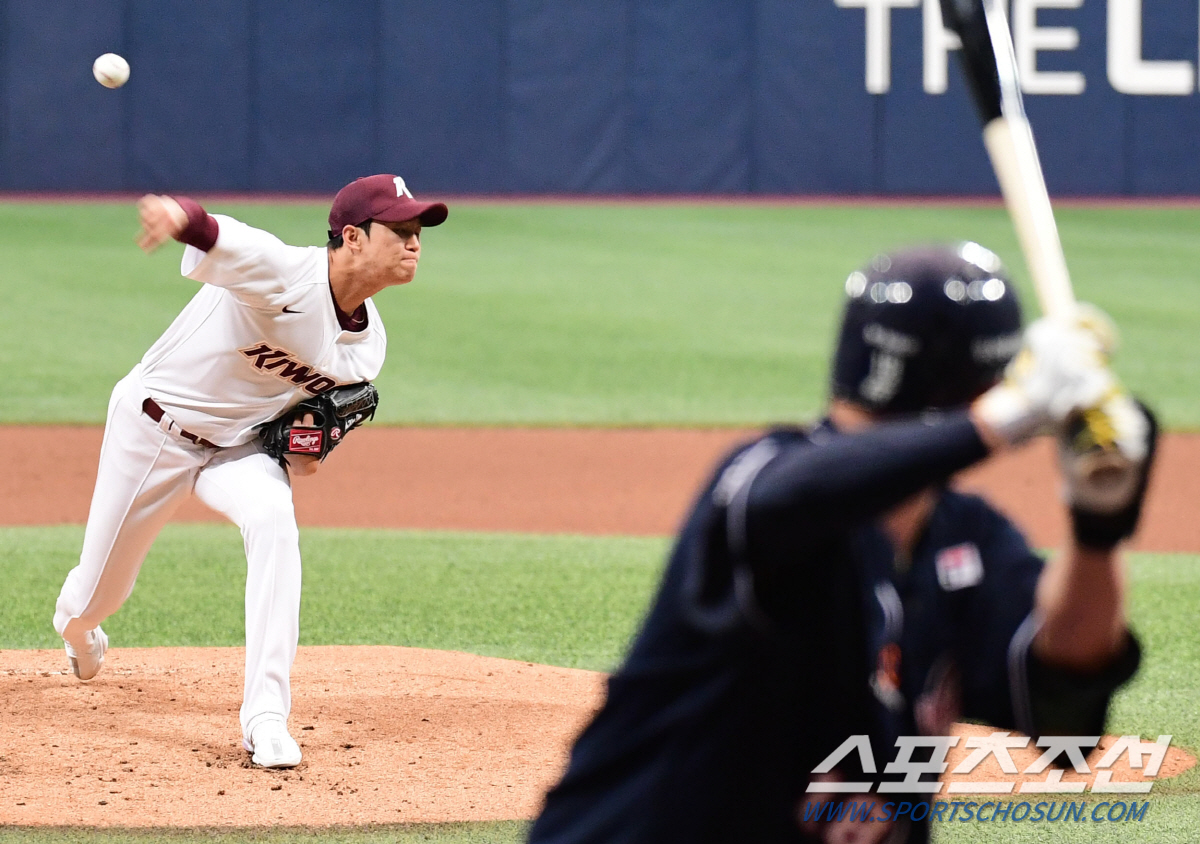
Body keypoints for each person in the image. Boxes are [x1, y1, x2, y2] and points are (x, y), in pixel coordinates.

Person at [528, 243, 1157, 844]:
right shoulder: (764, 480)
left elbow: (1061, 716)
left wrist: (1097, 531)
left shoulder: (967, 538)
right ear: (983, 384)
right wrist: (1005, 417)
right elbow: (793, 498)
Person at [53, 174, 448, 768]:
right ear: (352, 238)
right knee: (99, 593)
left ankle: (266, 718)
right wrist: (174, 214)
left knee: (273, 518)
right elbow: (214, 232)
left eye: (418, 231)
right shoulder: (285, 273)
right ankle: (78, 627)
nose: (415, 242)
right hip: (153, 428)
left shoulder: (369, 349)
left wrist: (307, 450)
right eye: (400, 230)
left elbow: (302, 445)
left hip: (236, 449)